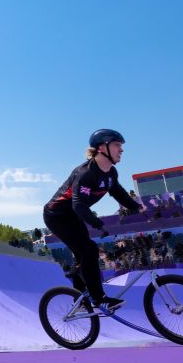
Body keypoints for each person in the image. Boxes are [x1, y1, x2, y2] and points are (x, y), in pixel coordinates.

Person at [42, 129, 144, 313]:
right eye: (117, 145)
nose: (121, 150)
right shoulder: (85, 174)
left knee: (84, 253)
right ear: (101, 147)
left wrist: (136, 207)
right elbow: (79, 205)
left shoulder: (111, 173)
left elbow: (118, 192)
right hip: (56, 216)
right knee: (89, 249)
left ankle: (78, 295)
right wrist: (98, 224)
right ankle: (99, 299)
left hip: (72, 216)